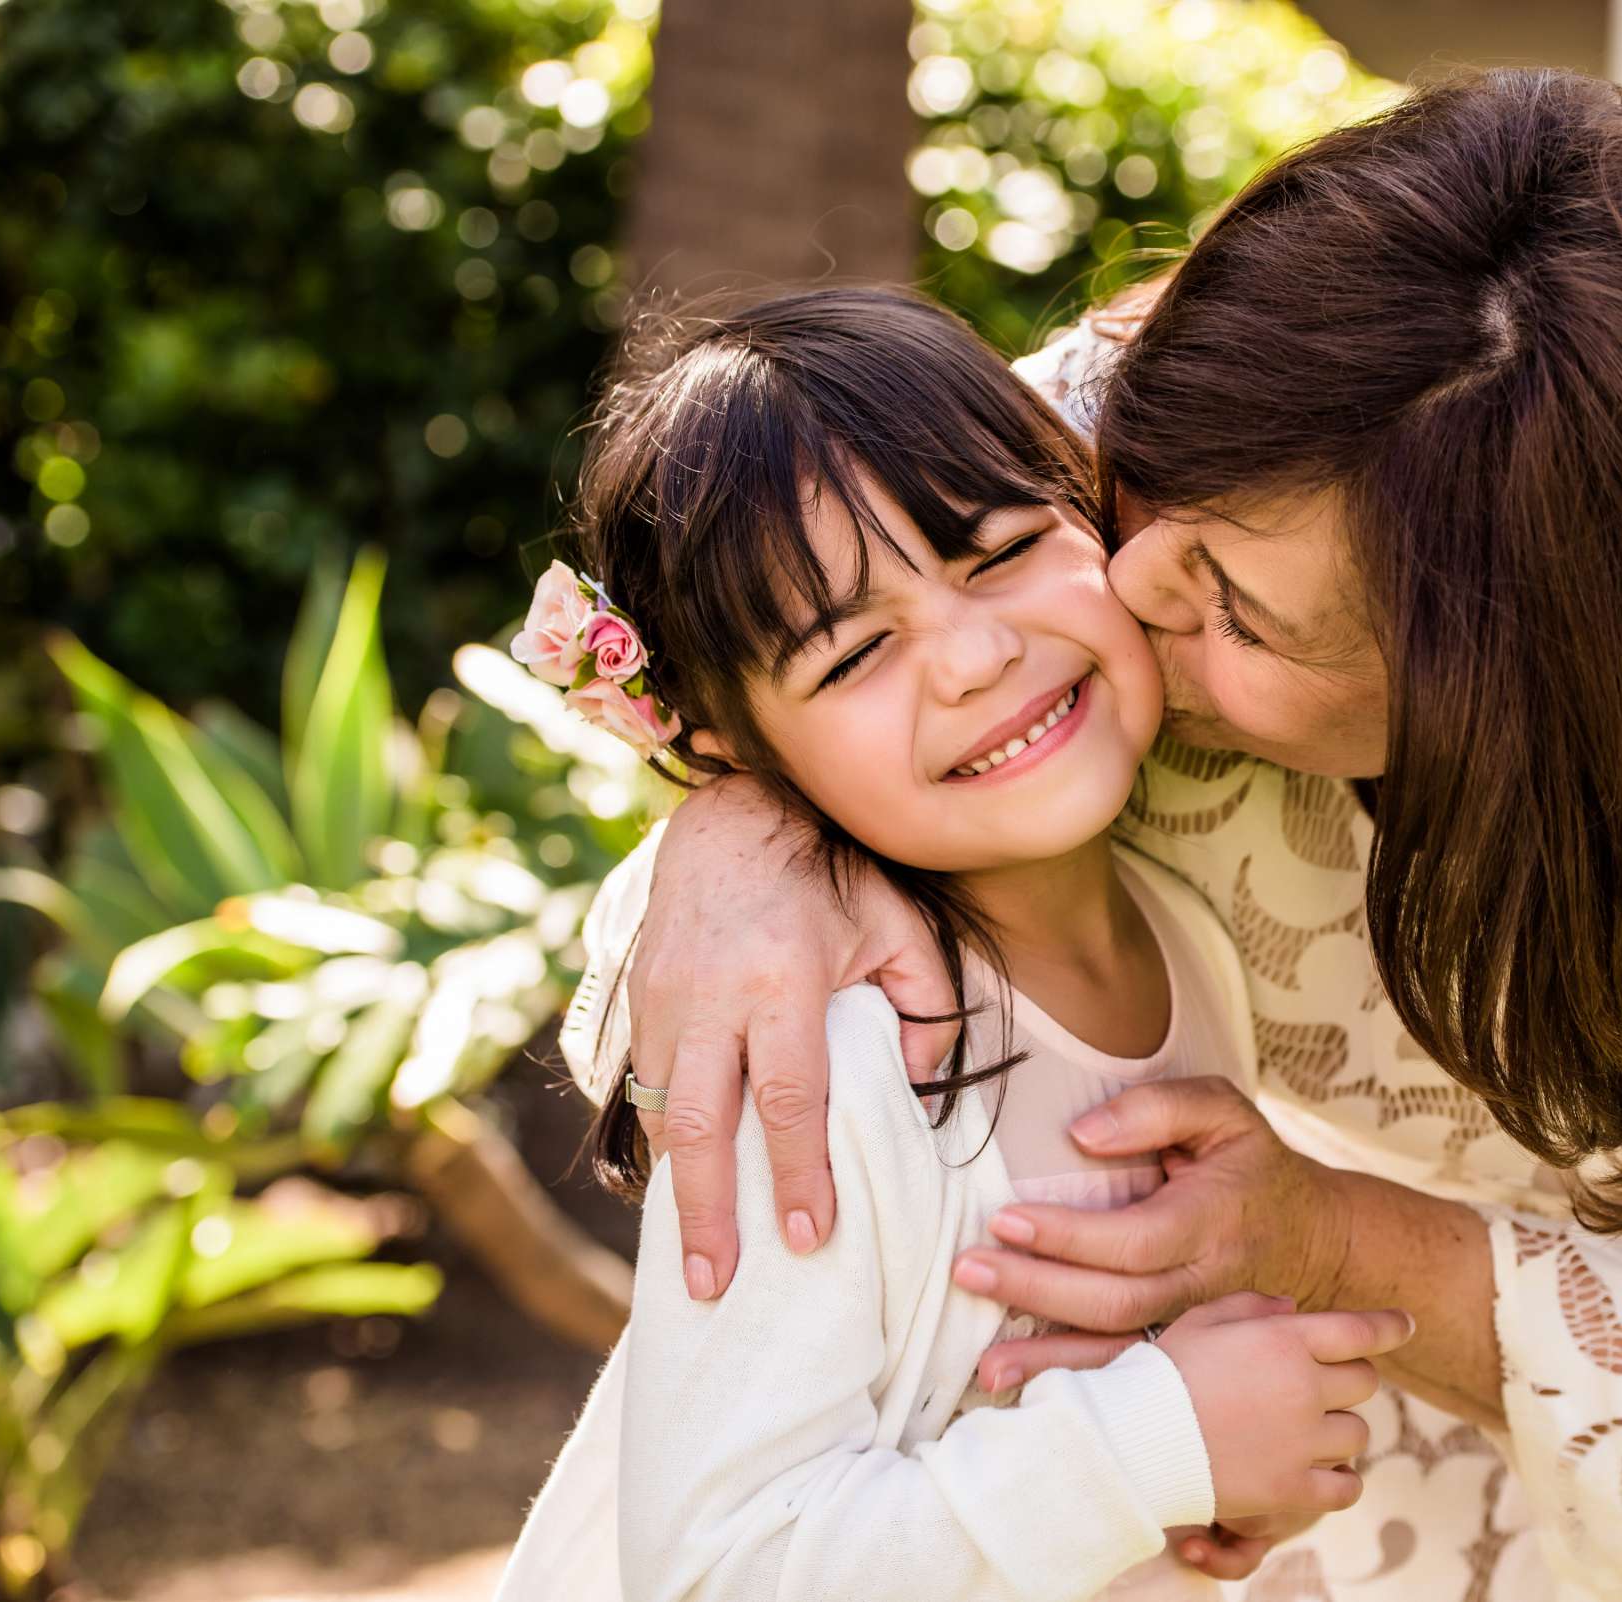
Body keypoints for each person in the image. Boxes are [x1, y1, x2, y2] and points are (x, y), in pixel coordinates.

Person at [607, 69, 1622, 1598]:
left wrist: (1323, 1246)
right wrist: (740, 836)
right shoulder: (1131, 461)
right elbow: (797, 636)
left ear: (1506, 710)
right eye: (1140, 493)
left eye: (1240, 614)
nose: (1131, 585)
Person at [492, 288, 1416, 1602]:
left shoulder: (1189, 936)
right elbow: (717, 1570)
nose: (980, 654)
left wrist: (1202, 1460)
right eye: (857, 651)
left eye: (999, 552)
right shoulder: (830, 1061)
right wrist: (1152, 1443)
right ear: (724, 751)